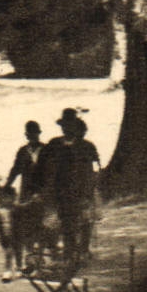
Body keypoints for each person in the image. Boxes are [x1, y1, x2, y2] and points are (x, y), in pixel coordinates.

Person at [38, 108, 100, 261]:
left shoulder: (86, 146)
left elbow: (92, 169)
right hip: (61, 189)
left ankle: (83, 250)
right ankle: (69, 253)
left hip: (81, 188)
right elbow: (43, 166)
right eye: (64, 125)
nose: (67, 129)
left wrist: (89, 189)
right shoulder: (54, 144)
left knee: (84, 220)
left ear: (76, 126)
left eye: (71, 125)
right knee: (66, 221)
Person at [0, 121, 47, 281]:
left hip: (42, 195)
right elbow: (15, 170)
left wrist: (46, 192)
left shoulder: (46, 151)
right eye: (30, 134)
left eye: (35, 133)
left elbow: (52, 172)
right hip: (26, 194)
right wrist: (6, 186)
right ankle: (29, 261)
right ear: (27, 135)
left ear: (39, 134)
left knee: (40, 226)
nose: (33, 136)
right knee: (26, 228)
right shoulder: (22, 152)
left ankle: (38, 261)